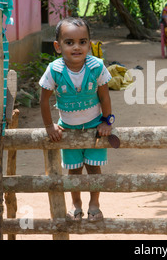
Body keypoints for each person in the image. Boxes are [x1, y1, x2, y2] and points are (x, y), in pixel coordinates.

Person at [39, 17, 114, 222]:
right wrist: (49, 126)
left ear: (89, 44)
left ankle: (95, 204)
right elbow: (44, 101)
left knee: (94, 168)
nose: (77, 47)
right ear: (57, 46)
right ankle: (76, 203)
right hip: (67, 129)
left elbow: (104, 96)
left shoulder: (96, 67)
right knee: (74, 170)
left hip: (94, 128)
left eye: (82, 42)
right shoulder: (54, 70)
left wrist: (107, 121)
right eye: (69, 42)